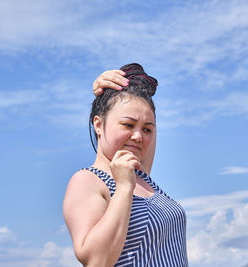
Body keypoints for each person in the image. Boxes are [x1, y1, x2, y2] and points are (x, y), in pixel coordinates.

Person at [63, 63, 188, 267]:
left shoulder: (141, 173)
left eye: (147, 129)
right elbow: (97, 261)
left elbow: (143, 113)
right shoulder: (88, 181)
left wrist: (112, 88)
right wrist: (123, 187)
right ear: (98, 124)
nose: (138, 136)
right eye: (128, 125)